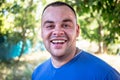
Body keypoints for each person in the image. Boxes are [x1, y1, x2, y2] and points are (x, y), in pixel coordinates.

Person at [32, 1, 120, 80]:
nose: (57, 32)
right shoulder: (37, 73)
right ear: (42, 32)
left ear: (77, 31)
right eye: (50, 26)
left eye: (66, 25)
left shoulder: (105, 75)